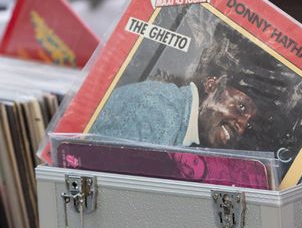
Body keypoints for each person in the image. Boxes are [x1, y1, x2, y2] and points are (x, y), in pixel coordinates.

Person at [89, 31, 260, 150]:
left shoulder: (179, 123)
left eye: (249, 124)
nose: (242, 127)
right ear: (211, 86)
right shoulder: (158, 110)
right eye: (241, 107)